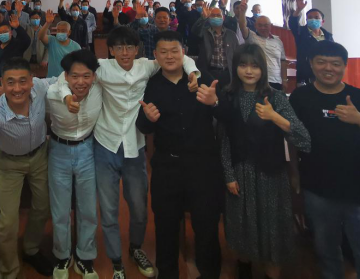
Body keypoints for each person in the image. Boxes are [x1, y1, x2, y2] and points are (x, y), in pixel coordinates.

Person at [58, 26, 201, 279]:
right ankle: (116, 261)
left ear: (137, 49)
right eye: (119, 47)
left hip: (135, 147)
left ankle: (136, 248)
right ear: (111, 50)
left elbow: (182, 57)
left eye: (130, 47)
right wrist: (67, 96)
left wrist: (192, 73)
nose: (124, 52)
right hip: (106, 145)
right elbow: (65, 76)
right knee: (109, 209)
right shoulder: (102, 68)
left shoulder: (147, 66)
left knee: (139, 207)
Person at [205, 44, 311, 279]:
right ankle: (244, 269)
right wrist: (228, 175)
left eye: (254, 66)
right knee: (243, 229)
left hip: (271, 176)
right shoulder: (228, 97)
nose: (249, 71)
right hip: (240, 175)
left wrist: (275, 117)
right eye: (243, 65)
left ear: (263, 68)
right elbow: (224, 140)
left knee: (272, 232)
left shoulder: (275, 97)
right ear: (235, 67)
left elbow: (304, 139)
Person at [289, 41, 360, 279]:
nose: (328, 68)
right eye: (321, 62)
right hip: (318, 190)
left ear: (345, 66)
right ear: (311, 64)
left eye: (335, 64)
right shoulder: (300, 97)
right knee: (326, 254)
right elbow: (293, 138)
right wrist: (294, 172)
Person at [134, 32, 224, 279]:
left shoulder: (203, 79)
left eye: (174, 51)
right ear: (155, 55)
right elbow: (143, 126)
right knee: (165, 227)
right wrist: (148, 119)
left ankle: (209, 274)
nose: (170, 56)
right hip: (167, 167)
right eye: (163, 52)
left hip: (203, 167)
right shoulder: (151, 85)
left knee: (206, 226)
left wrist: (215, 103)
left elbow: (227, 115)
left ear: (183, 52)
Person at [0, 58, 57, 279]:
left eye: (23, 81)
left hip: (40, 156)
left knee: (43, 206)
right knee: (8, 221)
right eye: (11, 82)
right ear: (2, 84)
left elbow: (60, 80)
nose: (17, 88)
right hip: (9, 164)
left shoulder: (39, 88)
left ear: (32, 81)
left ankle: (31, 249)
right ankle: (9, 269)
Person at [46, 50, 103, 279]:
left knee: (87, 207)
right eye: (75, 76)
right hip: (58, 150)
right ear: (66, 76)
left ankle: (85, 256)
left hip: (87, 149)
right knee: (60, 209)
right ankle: (62, 255)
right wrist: (66, 97)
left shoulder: (99, 89)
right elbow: (53, 86)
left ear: (94, 76)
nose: (81, 82)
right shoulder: (53, 92)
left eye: (86, 76)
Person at [235, 0, 288, 90]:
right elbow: (242, 26)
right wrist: (242, 12)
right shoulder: (252, 37)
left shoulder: (278, 41)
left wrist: (284, 80)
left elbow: (283, 61)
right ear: (255, 26)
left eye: (266, 25)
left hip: (276, 81)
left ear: (270, 25)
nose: (263, 28)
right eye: (260, 25)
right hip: (258, 80)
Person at [288, 0, 334, 85]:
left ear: (322, 22)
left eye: (316, 18)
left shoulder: (328, 36)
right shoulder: (300, 32)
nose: (313, 19)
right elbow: (293, 23)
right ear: (307, 20)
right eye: (310, 17)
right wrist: (298, 10)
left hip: (324, 73)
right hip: (306, 74)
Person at [193, 6, 242, 86]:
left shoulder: (231, 34)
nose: (216, 17)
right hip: (209, 72)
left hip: (227, 73)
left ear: (223, 18)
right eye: (213, 15)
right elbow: (195, 31)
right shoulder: (204, 33)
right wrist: (203, 18)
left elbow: (238, 54)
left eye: (218, 15)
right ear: (209, 18)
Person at [0, 16, 30, 88]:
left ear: (11, 33)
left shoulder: (17, 45)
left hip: (12, 80)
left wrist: (18, 27)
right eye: (0, 33)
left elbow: (27, 40)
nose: (2, 34)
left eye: (5, 32)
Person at [40, 11, 81, 78]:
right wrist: (47, 23)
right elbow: (41, 36)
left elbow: (79, 65)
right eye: (58, 30)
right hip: (52, 79)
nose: (60, 32)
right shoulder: (51, 40)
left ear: (69, 32)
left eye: (63, 31)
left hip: (68, 79)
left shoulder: (76, 47)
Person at [24, 11, 48, 77]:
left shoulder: (45, 30)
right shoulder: (26, 29)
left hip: (40, 58)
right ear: (30, 19)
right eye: (33, 18)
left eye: (37, 18)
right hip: (26, 57)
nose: (35, 20)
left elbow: (48, 48)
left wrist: (45, 59)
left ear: (40, 18)